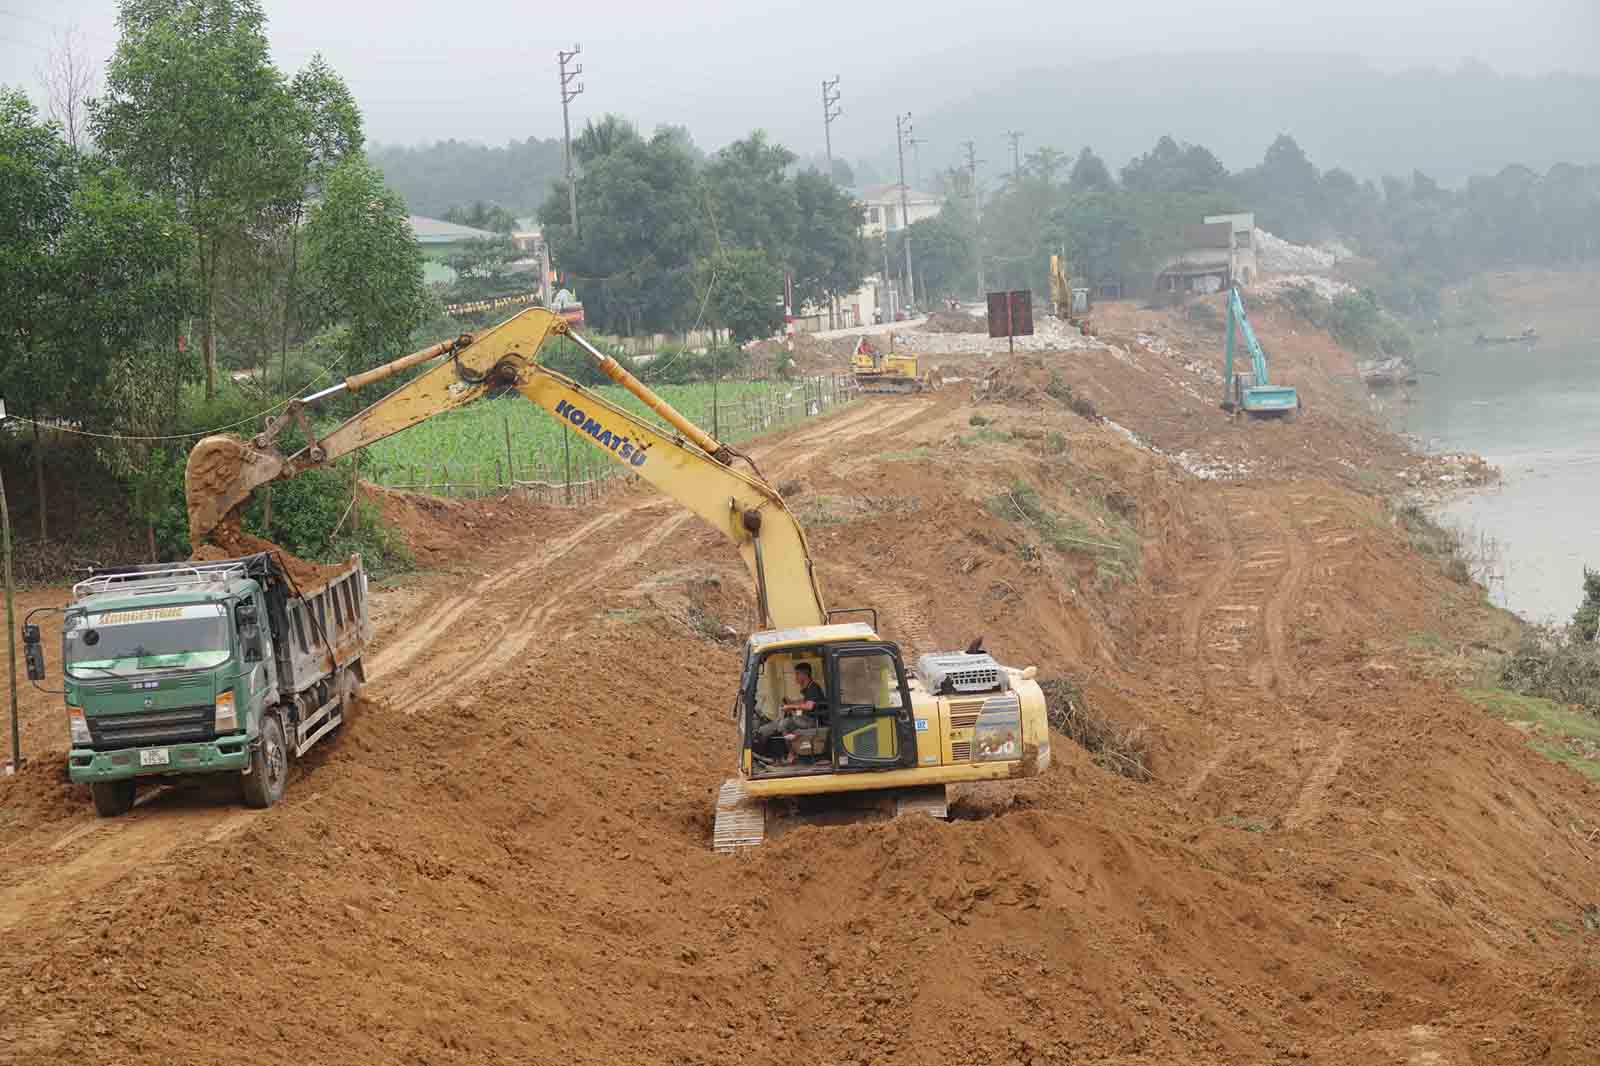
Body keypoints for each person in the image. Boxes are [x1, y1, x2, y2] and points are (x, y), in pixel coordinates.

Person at [754, 662, 827, 763]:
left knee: (784, 724)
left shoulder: (813, 688)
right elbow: (804, 702)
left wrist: (790, 706)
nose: (795, 677)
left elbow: (809, 706)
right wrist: (791, 703)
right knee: (785, 720)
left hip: (812, 721)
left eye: (797, 674)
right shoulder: (808, 688)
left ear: (804, 674)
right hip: (806, 718)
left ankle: (791, 753)